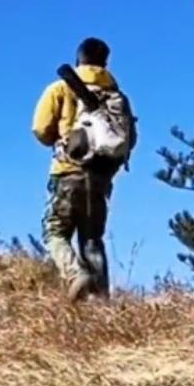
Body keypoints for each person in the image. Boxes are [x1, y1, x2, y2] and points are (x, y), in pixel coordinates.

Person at [32, 37, 137, 300]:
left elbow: (41, 129)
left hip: (67, 171)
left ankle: (75, 274)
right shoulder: (117, 97)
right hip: (101, 176)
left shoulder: (60, 88)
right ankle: (100, 302)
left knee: (55, 231)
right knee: (92, 238)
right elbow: (130, 138)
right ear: (105, 62)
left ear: (79, 58)